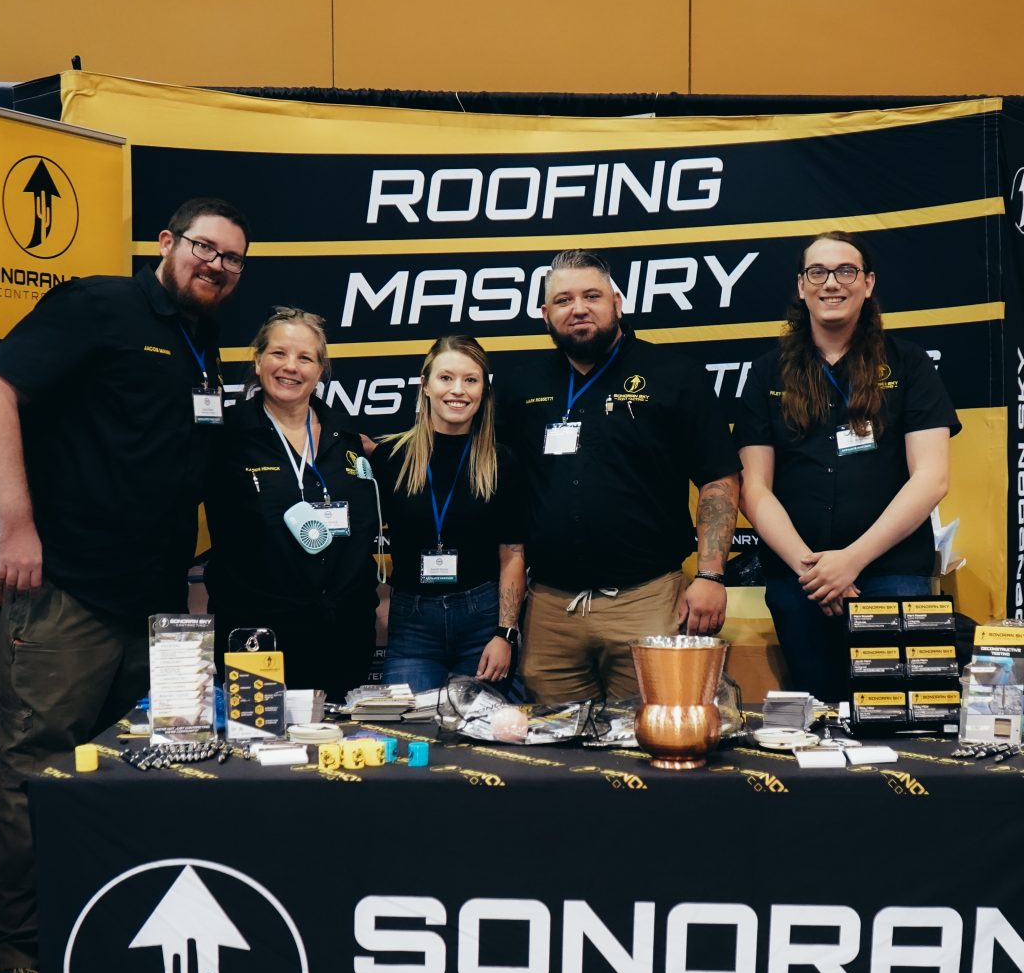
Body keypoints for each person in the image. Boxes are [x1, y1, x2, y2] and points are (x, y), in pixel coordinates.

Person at [0, 197, 249, 973]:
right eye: (204, 247)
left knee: (128, 773)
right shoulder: (101, 303)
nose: (216, 265)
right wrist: (16, 522)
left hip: (154, 606)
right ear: (166, 243)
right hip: (70, 590)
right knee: (34, 771)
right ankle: (10, 957)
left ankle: (87, 933)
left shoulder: (203, 343)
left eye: (232, 258)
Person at [499, 249, 740, 702]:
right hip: (550, 611)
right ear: (545, 314)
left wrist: (711, 575)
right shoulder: (519, 386)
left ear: (617, 303)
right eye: (564, 300)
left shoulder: (673, 374)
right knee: (554, 739)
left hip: (646, 601)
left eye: (592, 296)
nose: (578, 308)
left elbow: (718, 479)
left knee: (648, 732)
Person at [735, 230, 958, 703]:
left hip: (893, 572)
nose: (831, 283)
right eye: (817, 272)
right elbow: (754, 489)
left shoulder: (909, 363)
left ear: (868, 283)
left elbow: (932, 478)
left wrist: (850, 561)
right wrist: (814, 571)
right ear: (801, 286)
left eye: (846, 271)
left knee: (898, 715)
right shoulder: (767, 371)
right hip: (800, 578)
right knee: (817, 715)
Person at [203, 307, 382, 699]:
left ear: (320, 371)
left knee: (340, 735)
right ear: (258, 360)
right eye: (279, 353)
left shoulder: (346, 436)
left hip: (344, 637)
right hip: (255, 636)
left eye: (305, 358)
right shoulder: (224, 436)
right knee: (256, 735)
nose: (291, 367)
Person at [378, 335, 526, 691]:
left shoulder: (501, 462)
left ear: (483, 390)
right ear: (425, 385)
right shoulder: (390, 458)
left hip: (482, 622)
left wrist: (504, 633)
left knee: (483, 723)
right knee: (405, 721)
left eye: (470, 380)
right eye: (446, 378)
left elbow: (512, 555)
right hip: (412, 624)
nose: (457, 390)